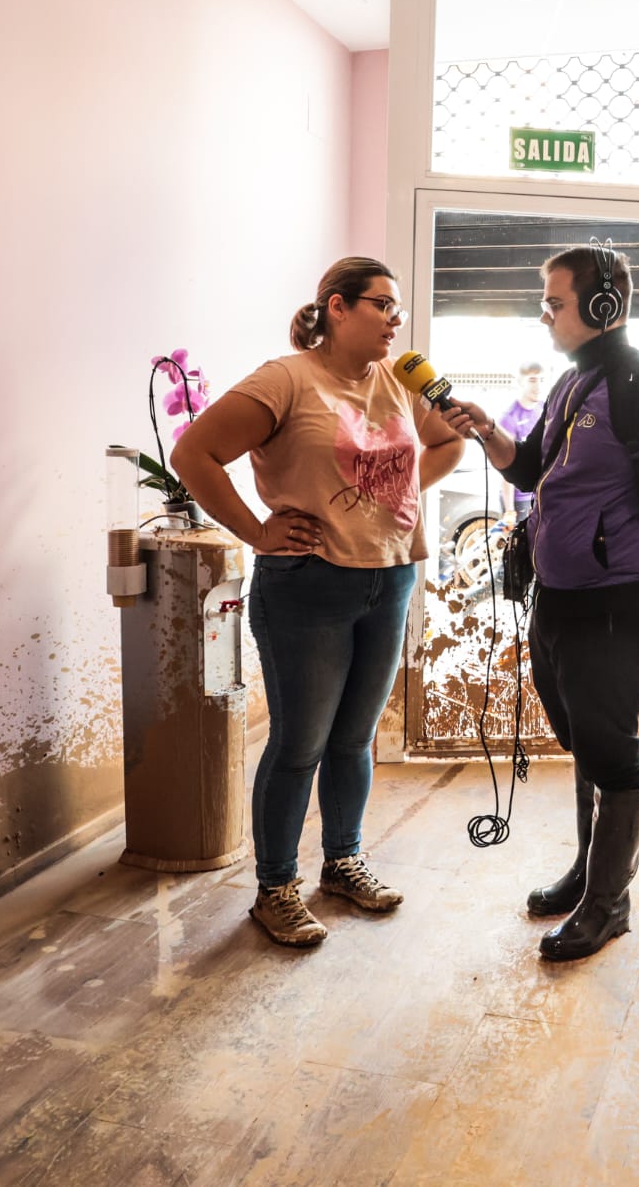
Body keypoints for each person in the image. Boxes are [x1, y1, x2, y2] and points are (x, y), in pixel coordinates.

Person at [441, 247, 639, 961]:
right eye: (544, 301)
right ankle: (586, 873)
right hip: (560, 597)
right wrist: (486, 430)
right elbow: (536, 465)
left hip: (615, 603)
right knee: (580, 736)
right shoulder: (575, 384)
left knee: (613, 753)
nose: (544, 314)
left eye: (556, 302)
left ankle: (609, 904)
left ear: (604, 307)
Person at [171, 257, 464, 947]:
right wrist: (256, 530)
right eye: (382, 305)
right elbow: (195, 455)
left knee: (354, 740)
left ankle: (343, 863)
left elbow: (446, 443)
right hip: (307, 582)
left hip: (389, 578)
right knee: (300, 745)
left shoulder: (399, 381)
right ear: (337, 307)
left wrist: (399, 488)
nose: (396, 319)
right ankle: (276, 889)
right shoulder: (288, 379)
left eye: (397, 309)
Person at [495, 361, 545, 521]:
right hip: (520, 499)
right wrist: (509, 510)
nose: (537, 386)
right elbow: (506, 465)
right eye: (532, 380)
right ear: (520, 382)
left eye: (541, 380)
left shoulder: (545, 408)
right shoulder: (510, 418)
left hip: (541, 492)